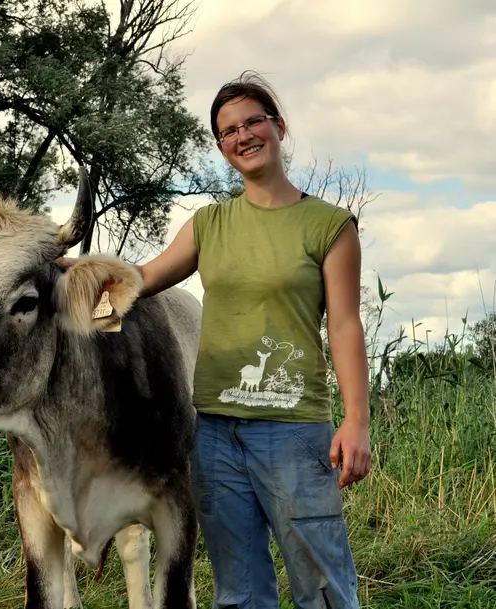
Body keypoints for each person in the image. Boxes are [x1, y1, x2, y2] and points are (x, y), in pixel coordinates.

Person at [133, 71, 371, 607]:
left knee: (324, 587)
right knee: (238, 593)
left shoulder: (329, 225)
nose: (243, 136)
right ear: (221, 147)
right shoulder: (208, 224)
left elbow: (345, 325)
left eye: (253, 122)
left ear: (279, 127)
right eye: (228, 131)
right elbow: (142, 280)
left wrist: (356, 421)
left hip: (293, 432)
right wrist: (57, 270)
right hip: (215, 436)